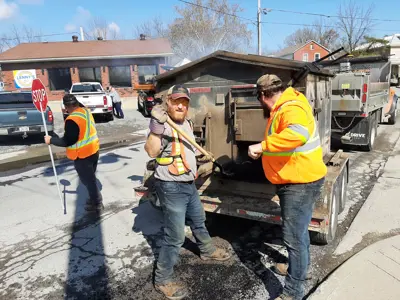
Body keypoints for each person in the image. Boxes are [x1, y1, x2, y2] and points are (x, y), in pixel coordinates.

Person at [144, 85, 231, 300]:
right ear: (168, 103)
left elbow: (186, 150)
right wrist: (155, 125)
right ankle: (163, 280)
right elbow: (151, 150)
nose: (181, 105)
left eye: (184, 102)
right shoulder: (163, 126)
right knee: (174, 236)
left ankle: (207, 250)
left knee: (198, 219)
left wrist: (200, 162)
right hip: (171, 186)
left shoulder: (187, 123)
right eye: (176, 102)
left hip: (188, 183)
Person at [248, 75, 327, 300]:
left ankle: (293, 292)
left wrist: (262, 146)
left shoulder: (290, 108)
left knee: (293, 238)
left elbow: (298, 134)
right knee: (299, 235)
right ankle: (298, 269)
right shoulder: (288, 103)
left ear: (263, 95)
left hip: (299, 184)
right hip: (298, 179)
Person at [44, 94, 103, 212]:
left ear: (66, 107)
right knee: (90, 178)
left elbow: (67, 141)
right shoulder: (85, 111)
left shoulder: (72, 120)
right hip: (93, 151)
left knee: (88, 180)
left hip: (82, 155)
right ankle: (94, 198)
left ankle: (96, 203)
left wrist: (51, 140)